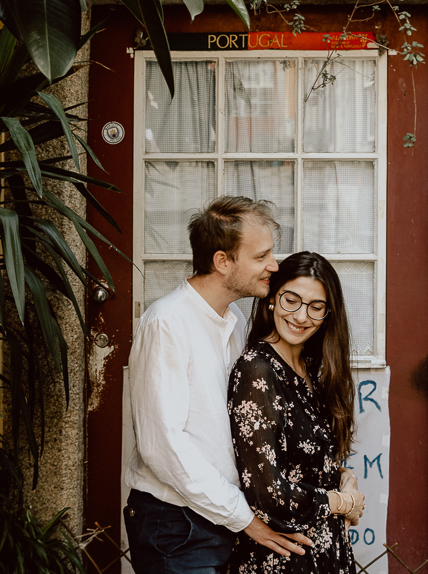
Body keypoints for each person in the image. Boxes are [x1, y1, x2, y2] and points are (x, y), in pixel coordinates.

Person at [123, 196, 314, 574]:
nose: (273, 266)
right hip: (178, 526)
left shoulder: (236, 320)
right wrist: (243, 518)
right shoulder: (167, 323)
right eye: (261, 257)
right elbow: (163, 447)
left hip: (223, 516)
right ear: (223, 261)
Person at [228, 251, 365, 574]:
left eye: (316, 307)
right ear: (272, 300)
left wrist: (347, 479)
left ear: (328, 314)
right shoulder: (257, 369)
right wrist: (340, 502)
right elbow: (267, 491)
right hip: (283, 557)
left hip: (327, 552)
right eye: (292, 300)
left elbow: (309, 462)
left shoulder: (314, 369)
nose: (302, 316)